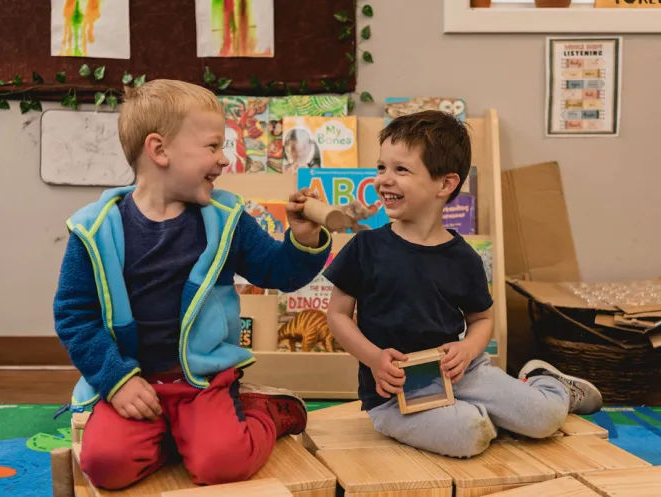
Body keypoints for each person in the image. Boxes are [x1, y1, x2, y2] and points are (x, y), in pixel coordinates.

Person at [53, 79, 332, 489]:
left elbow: (279, 272)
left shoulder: (225, 220)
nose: (223, 161)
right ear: (159, 150)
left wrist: (303, 240)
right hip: (136, 382)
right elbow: (74, 317)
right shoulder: (93, 231)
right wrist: (116, 378)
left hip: (201, 380)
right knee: (105, 464)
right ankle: (180, 437)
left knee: (221, 464)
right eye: (213, 147)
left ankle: (262, 413)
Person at [324, 110, 602, 458]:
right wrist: (375, 358)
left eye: (401, 170)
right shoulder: (364, 248)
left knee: (545, 417)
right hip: (393, 396)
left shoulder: (464, 258)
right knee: (470, 432)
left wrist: (469, 350)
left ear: (445, 184)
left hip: (462, 374)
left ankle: (550, 384)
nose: (384, 180)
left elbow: (481, 320)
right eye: (382, 167)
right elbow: (337, 315)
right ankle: (488, 417)